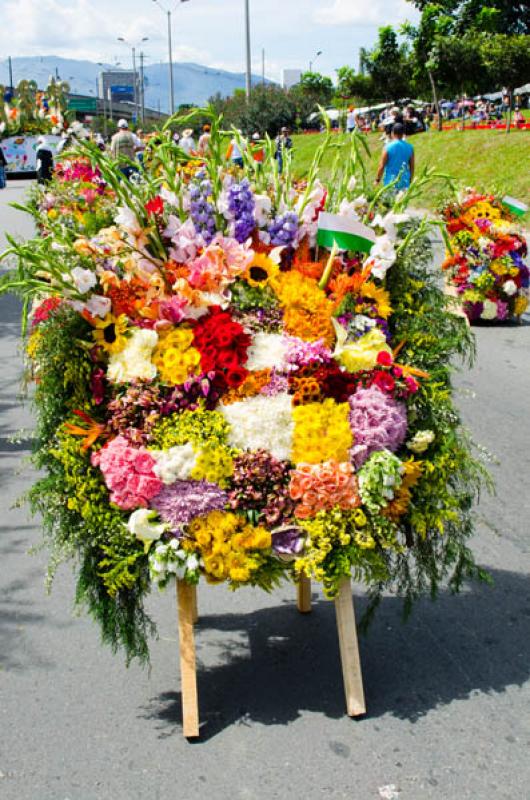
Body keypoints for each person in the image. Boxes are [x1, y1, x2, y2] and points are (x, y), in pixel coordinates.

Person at [375, 123, 414, 191]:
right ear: (403, 133)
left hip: (391, 182)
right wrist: (410, 179)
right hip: (404, 181)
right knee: (402, 201)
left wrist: (377, 180)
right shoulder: (410, 147)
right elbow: (412, 166)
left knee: (390, 201)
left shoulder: (387, 147)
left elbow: (381, 166)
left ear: (392, 133)